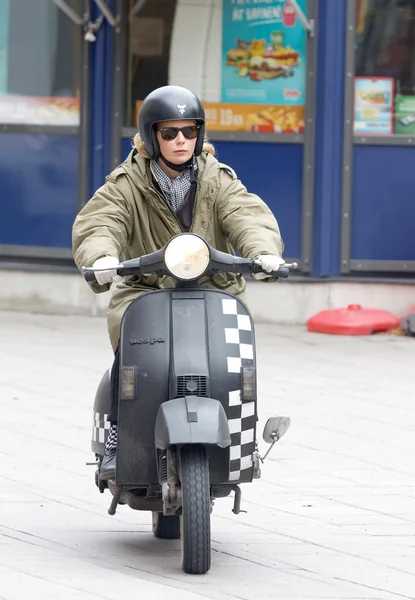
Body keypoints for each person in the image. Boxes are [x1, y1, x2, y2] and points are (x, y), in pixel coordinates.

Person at [72, 85, 284, 480]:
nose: (181, 141)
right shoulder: (126, 183)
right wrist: (102, 257)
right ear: (152, 136)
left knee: (234, 365)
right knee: (130, 361)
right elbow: (101, 220)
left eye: (189, 131)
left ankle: (242, 439)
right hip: (145, 290)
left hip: (215, 287)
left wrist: (263, 251)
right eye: (169, 133)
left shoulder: (218, 179)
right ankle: (118, 436)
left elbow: (245, 214)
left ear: (200, 134)